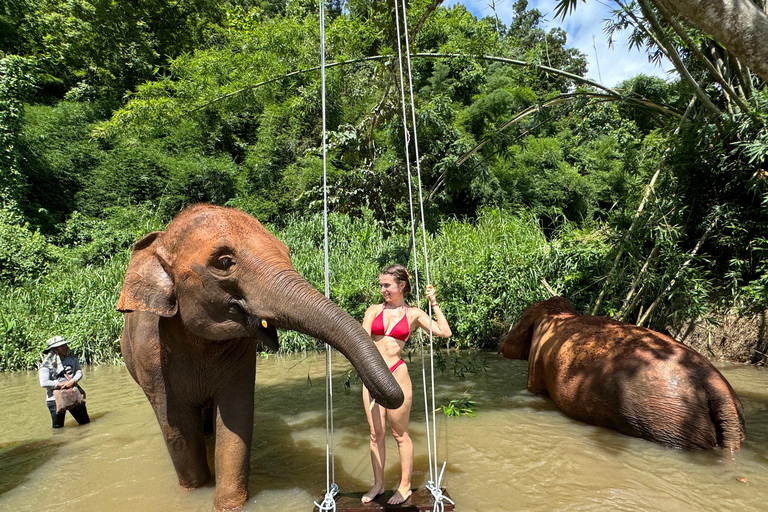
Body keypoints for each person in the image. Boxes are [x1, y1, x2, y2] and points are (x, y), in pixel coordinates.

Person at [360, 264, 452, 505]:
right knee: (375, 434)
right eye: (381, 285)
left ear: (401, 286)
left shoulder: (414, 315)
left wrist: (434, 302)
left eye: (387, 285)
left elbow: (445, 332)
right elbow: (360, 343)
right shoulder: (372, 311)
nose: (383, 290)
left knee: (399, 434)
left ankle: (405, 487)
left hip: (396, 374)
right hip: (372, 376)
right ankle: (378, 485)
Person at [39, 335, 90, 428]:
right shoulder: (46, 365)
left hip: (73, 394)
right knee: (58, 427)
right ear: (54, 349)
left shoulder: (72, 359)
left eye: (65, 345)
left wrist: (73, 380)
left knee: (85, 423)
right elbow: (44, 382)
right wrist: (60, 385)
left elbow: (79, 372)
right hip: (54, 399)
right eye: (61, 346)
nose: (65, 347)